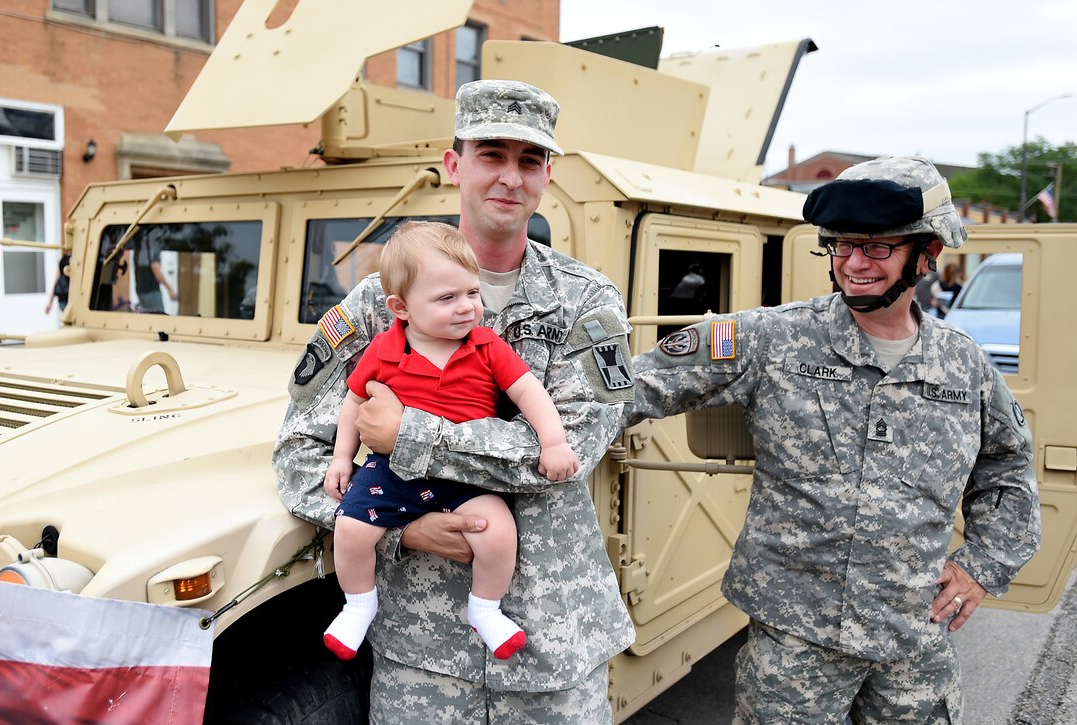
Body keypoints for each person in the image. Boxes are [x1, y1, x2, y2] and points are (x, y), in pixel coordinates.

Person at [624, 156, 1040, 723]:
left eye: (877, 248)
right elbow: (628, 389)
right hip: (794, 648)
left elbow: (1008, 466)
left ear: (928, 253)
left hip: (914, 643)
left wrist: (982, 565)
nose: (853, 264)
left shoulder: (964, 366)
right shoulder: (769, 338)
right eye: (842, 245)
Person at [273, 79, 636, 723]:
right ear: (454, 164)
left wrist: (410, 435)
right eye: (491, 154)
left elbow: (570, 452)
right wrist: (401, 526)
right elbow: (302, 450)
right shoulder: (376, 302)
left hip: (553, 644)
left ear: (547, 175)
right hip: (422, 654)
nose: (510, 178)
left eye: (529, 160)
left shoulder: (587, 301)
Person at [321, 221, 578, 663]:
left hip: (462, 473)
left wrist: (553, 443)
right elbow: (353, 403)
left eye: (472, 293)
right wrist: (341, 458)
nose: (467, 308)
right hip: (392, 471)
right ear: (400, 307)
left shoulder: (485, 345)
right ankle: (358, 604)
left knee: (497, 532)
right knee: (349, 530)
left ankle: (486, 608)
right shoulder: (384, 349)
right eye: (447, 298)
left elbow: (529, 392)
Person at [133, 234, 177, 312]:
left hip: (141, 290)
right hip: (151, 291)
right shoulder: (153, 245)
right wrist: (170, 289)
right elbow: (155, 267)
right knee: (159, 320)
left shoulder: (141, 245)